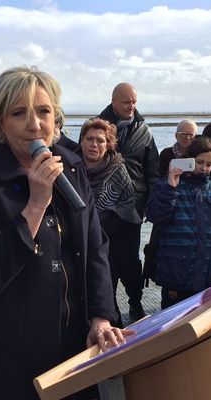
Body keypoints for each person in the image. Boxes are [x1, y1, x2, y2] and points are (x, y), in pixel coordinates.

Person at [0, 66, 128, 399]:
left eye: (44, 111)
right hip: (8, 354)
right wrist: (34, 205)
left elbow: (96, 247)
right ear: (1, 122)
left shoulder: (70, 167)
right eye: (20, 113)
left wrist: (102, 314)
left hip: (72, 346)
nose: (35, 124)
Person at [146, 135, 211, 309]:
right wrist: (169, 189)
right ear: (188, 159)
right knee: (172, 326)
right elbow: (155, 216)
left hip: (210, 274)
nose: (204, 168)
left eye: (209, 164)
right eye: (199, 162)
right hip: (176, 273)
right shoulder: (165, 185)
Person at [98, 82, 160, 319]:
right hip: (103, 208)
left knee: (131, 262)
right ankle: (109, 310)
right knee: (105, 262)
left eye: (134, 101)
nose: (132, 106)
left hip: (133, 208)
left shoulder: (144, 130)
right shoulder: (98, 126)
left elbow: (152, 170)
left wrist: (149, 206)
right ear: (114, 102)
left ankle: (136, 303)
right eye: (127, 102)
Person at [78, 117, 142, 327]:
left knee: (108, 289)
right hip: (80, 238)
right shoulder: (72, 168)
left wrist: (98, 225)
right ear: (81, 141)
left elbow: (127, 206)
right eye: (89, 139)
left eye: (100, 140)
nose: (94, 144)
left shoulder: (117, 169)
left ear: (109, 144)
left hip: (115, 239)